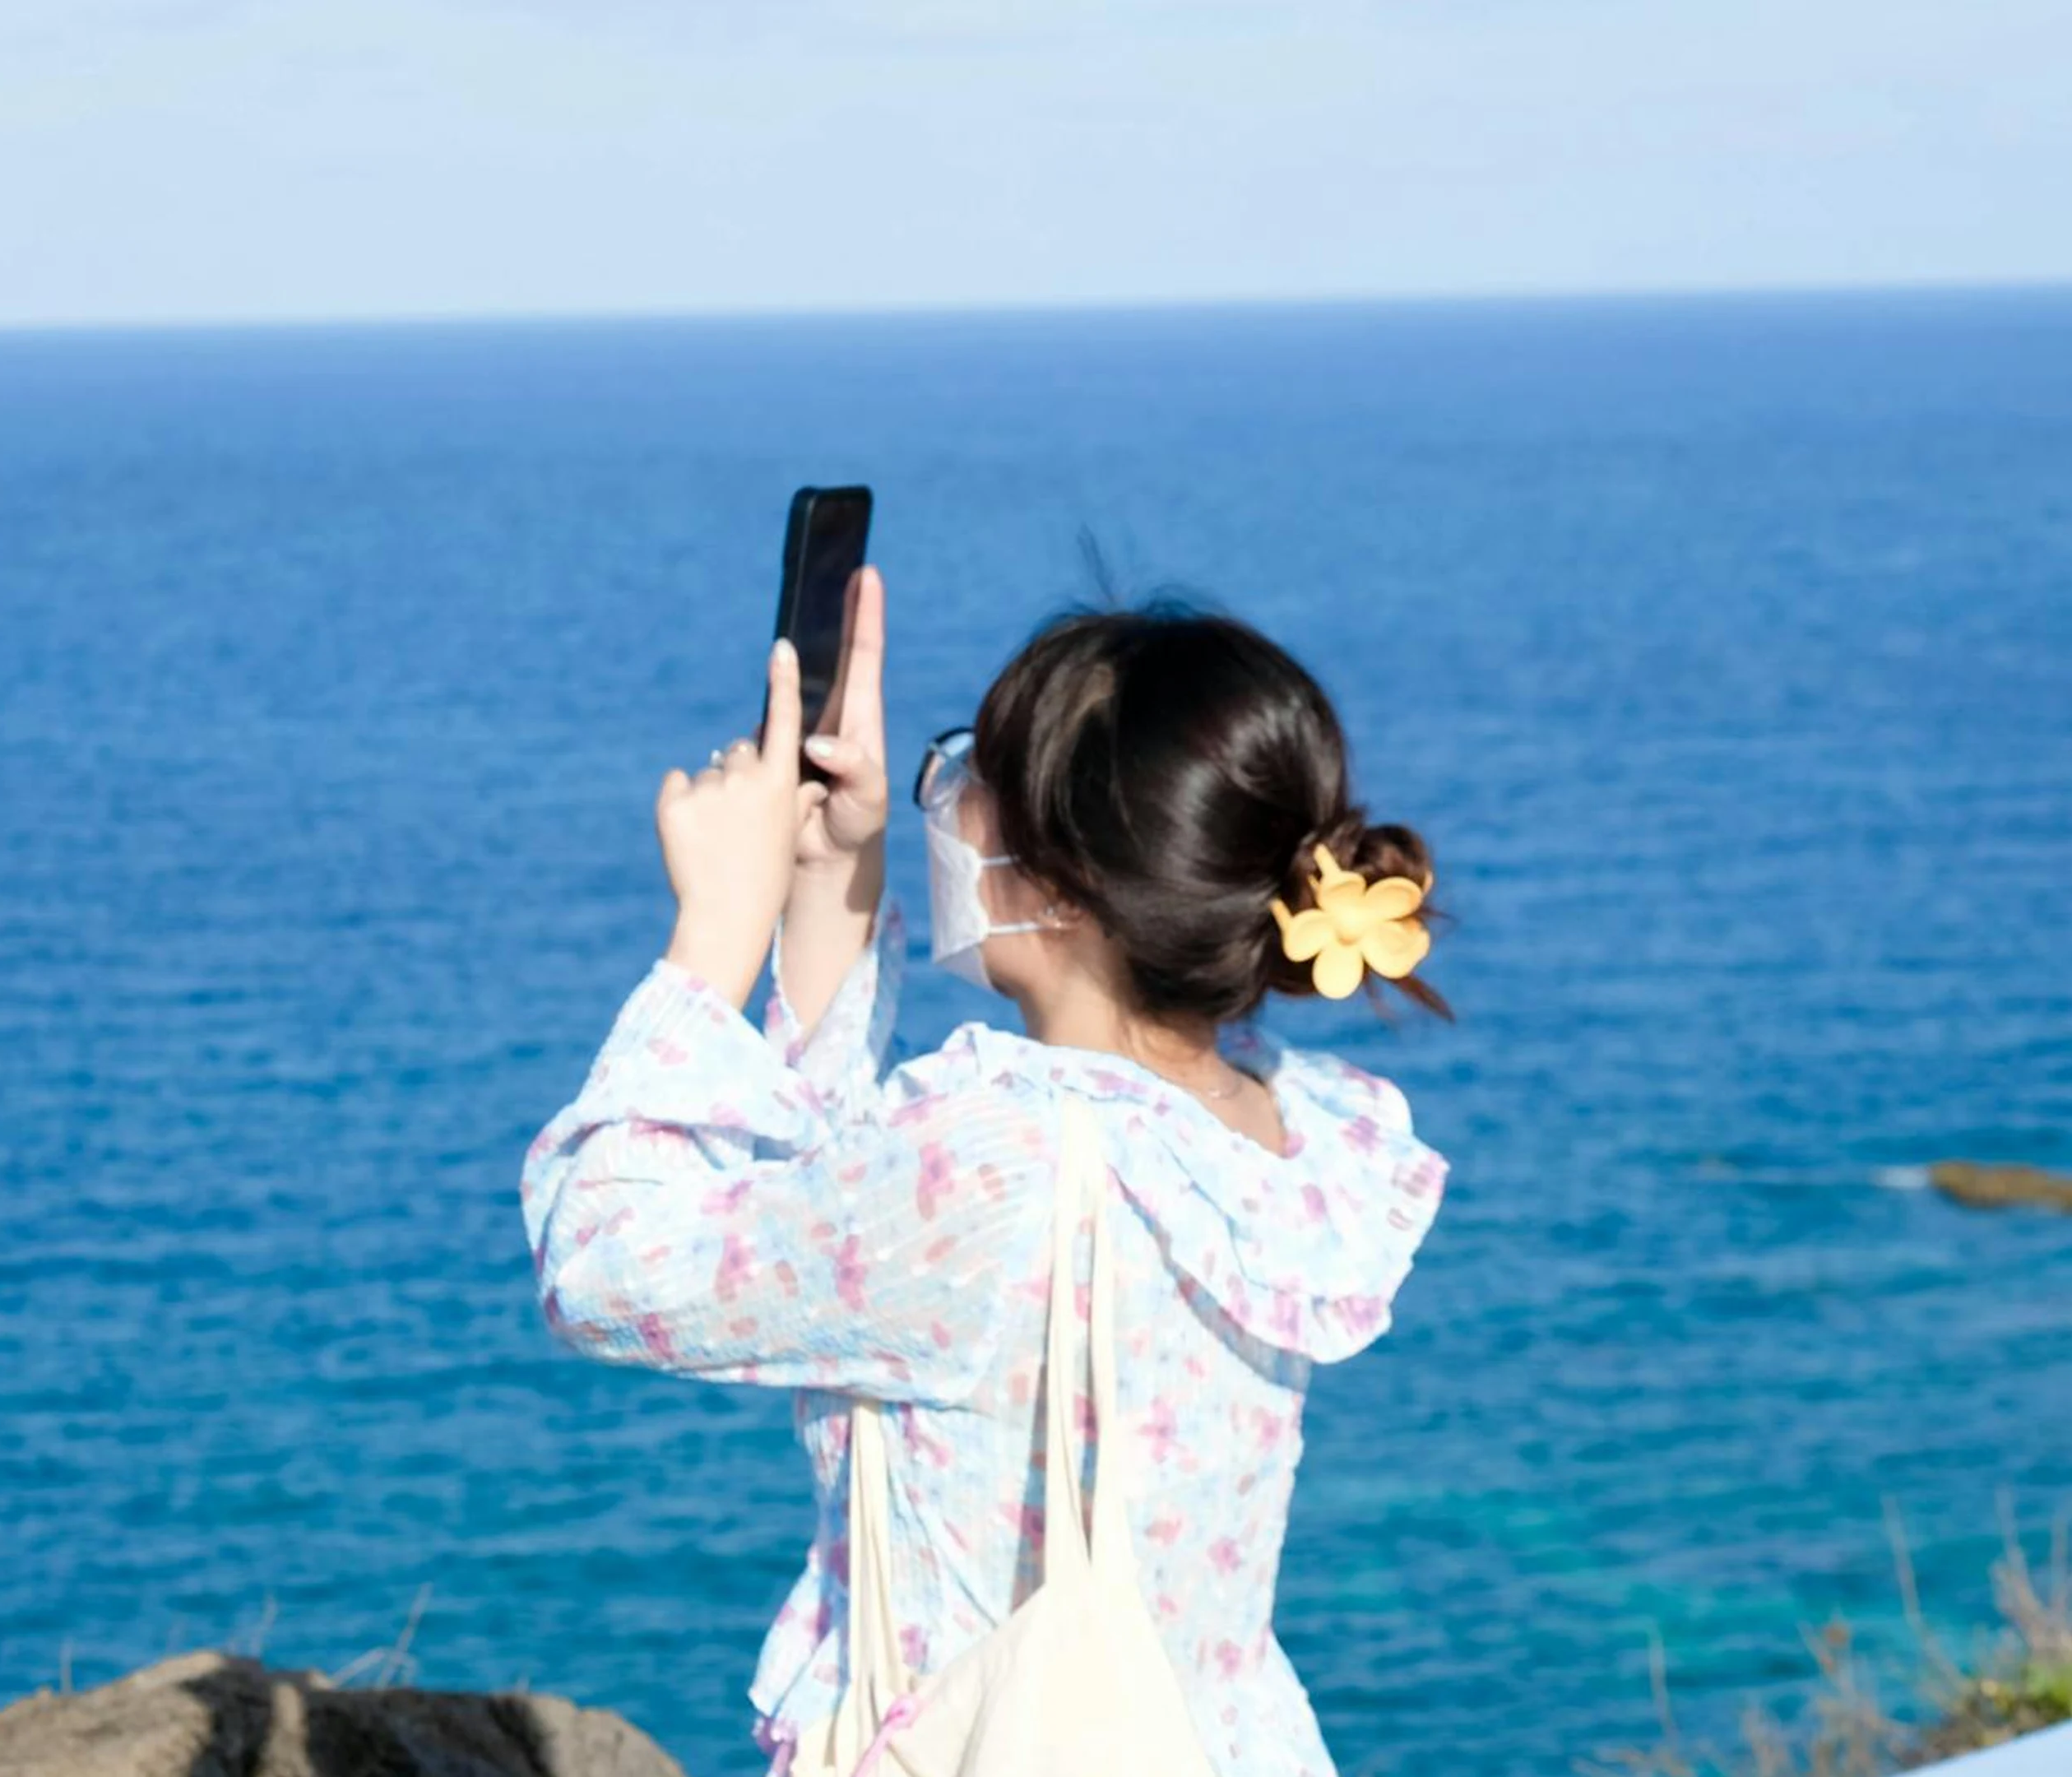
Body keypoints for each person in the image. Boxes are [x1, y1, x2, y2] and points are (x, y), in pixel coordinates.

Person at [519, 564, 1452, 1776]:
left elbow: (602, 1269)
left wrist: (715, 931)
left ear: (1062, 888)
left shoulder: (996, 1164)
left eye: (971, 775)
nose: (941, 800)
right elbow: (861, 1228)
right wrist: (824, 887)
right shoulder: (1288, 1130)